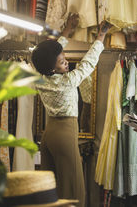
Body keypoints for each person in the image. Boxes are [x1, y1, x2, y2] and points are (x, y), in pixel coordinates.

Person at [31, 13, 112, 207]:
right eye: (61, 62)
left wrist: (68, 29)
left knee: (50, 186)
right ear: (52, 69)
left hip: (48, 134)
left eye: (64, 57)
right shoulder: (67, 82)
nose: (66, 61)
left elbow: (53, 50)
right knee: (73, 188)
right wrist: (101, 35)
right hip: (65, 135)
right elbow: (88, 63)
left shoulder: (39, 76)